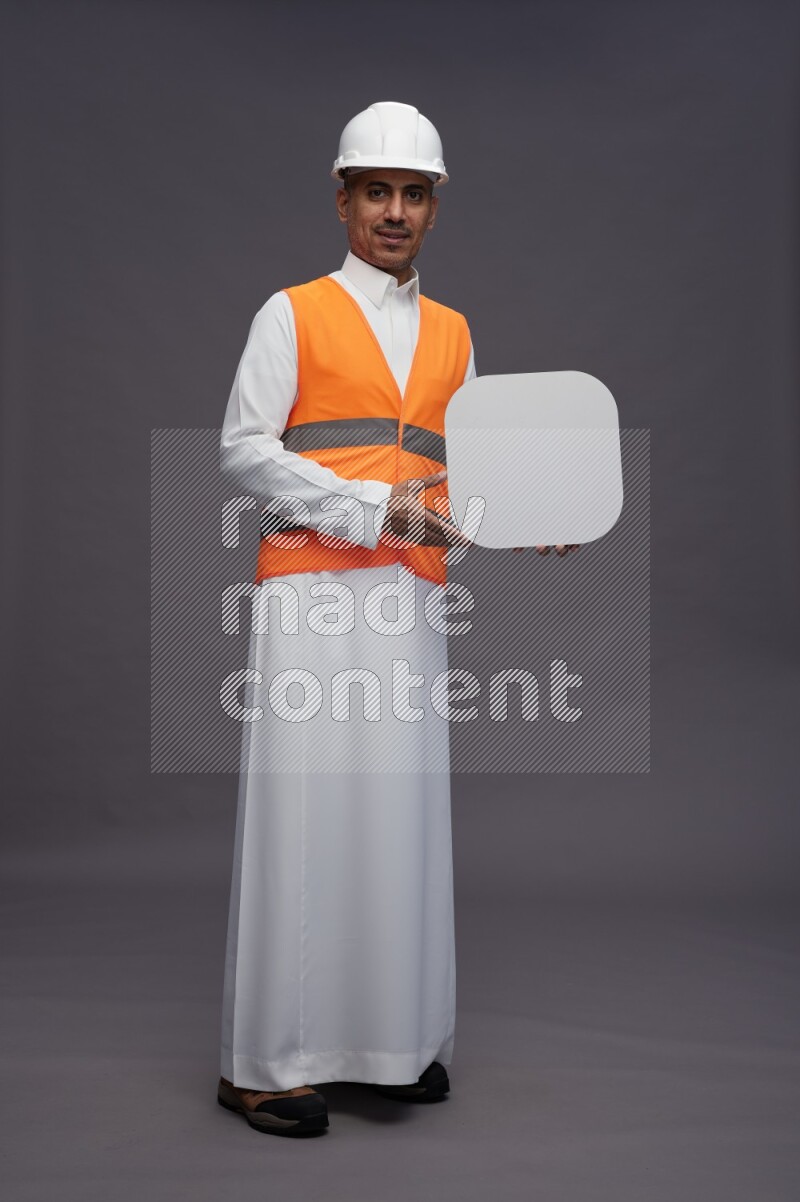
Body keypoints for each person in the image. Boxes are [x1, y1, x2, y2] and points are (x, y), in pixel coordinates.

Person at [216, 100, 574, 1139]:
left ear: (432, 207)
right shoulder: (291, 313)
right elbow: (243, 449)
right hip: (310, 590)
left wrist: (524, 514)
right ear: (342, 200)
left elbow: (459, 478)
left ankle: (386, 1043)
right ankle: (261, 1063)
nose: (394, 210)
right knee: (302, 815)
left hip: (408, 594)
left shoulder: (454, 332)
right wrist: (374, 507)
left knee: (396, 816)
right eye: (376, 190)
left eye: (413, 193)